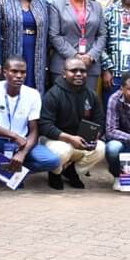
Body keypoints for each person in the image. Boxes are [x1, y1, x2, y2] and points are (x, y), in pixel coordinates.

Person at [0, 57, 61, 192]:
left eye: (23, 72)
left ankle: (9, 172)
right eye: (14, 71)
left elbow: (34, 131)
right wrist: (12, 135)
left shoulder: (33, 94)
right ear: (4, 72)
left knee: (52, 161)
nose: (19, 76)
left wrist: (22, 154)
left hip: (21, 144)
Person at [39, 56, 106, 190]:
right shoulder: (53, 94)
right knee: (64, 150)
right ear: (64, 73)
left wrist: (95, 135)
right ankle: (55, 172)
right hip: (55, 140)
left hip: (81, 140)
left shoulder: (91, 95)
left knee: (100, 148)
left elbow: (100, 121)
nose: (79, 74)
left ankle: (71, 171)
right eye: (73, 71)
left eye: (82, 71)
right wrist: (69, 138)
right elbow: (45, 126)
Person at [48, 0, 108, 91]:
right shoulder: (57, 5)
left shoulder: (96, 7)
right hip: (63, 65)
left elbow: (102, 35)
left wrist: (91, 56)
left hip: (89, 66)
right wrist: (74, 55)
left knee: (87, 106)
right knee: (64, 106)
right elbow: (54, 35)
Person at [0, 0, 49, 93]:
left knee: (33, 85)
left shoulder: (40, 4)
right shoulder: (1, 2)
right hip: (10, 51)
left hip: (36, 52)